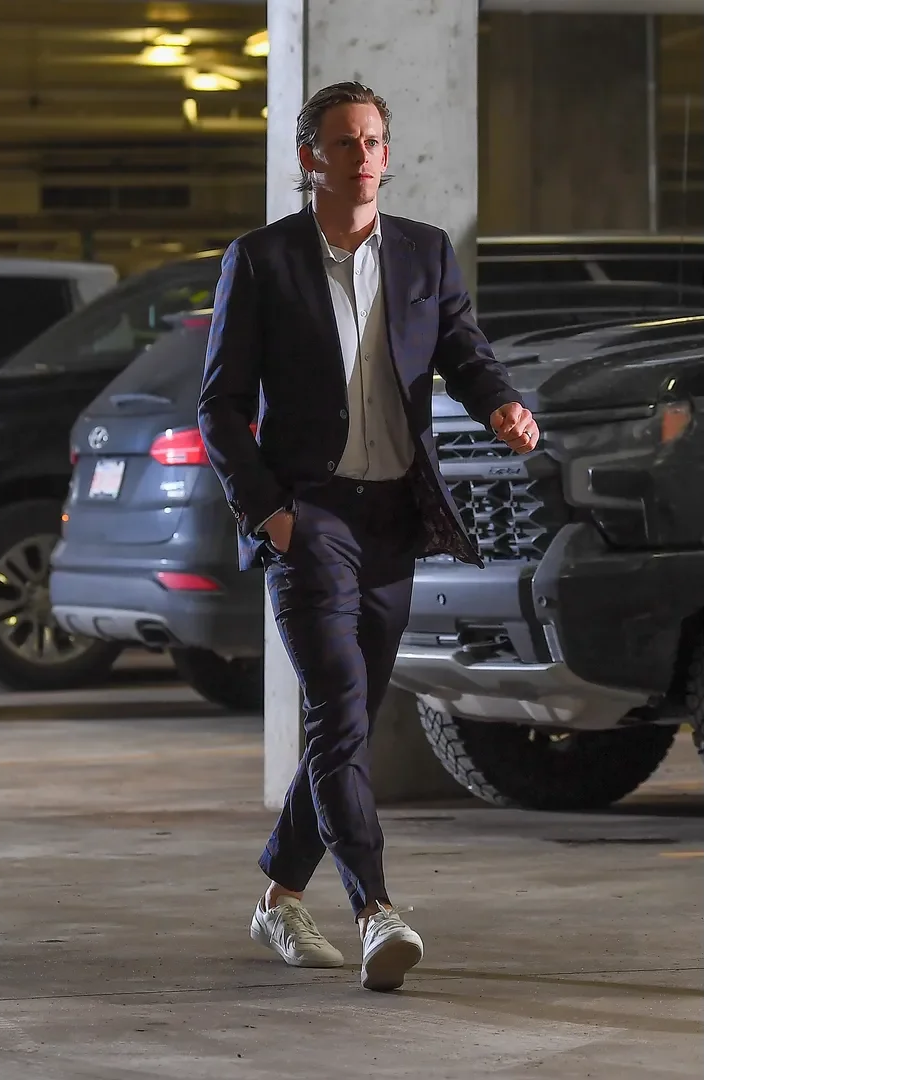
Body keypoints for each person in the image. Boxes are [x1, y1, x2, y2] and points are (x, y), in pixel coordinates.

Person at [197, 81, 538, 992]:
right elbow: (219, 406)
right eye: (344, 142)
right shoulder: (261, 261)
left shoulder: (424, 252)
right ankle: (376, 909)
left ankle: (278, 897)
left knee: (341, 724)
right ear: (309, 157)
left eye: (375, 140)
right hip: (309, 517)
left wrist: (501, 404)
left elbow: (463, 351)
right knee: (340, 711)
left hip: (393, 517)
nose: (363, 156)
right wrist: (271, 512)